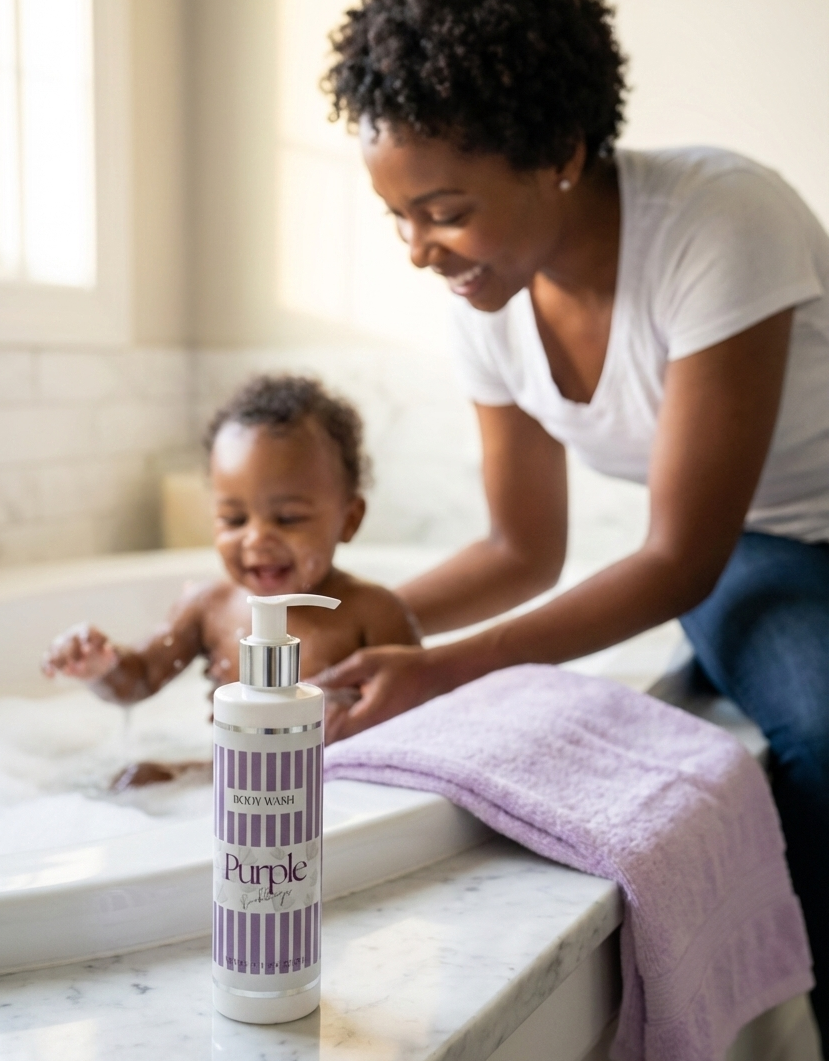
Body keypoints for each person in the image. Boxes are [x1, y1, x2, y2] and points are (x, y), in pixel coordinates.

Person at [315, 0, 829, 1043]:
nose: (419, 249)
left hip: (709, 549)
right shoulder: (487, 299)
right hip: (765, 549)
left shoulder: (720, 217)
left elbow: (669, 556)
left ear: (558, 150)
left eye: (444, 209)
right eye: (398, 217)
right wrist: (362, 615)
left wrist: (445, 664)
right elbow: (522, 549)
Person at [42, 375, 420, 771]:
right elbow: (140, 677)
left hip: (333, 784)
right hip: (235, 785)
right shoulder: (208, 607)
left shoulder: (373, 613)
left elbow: (421, 718)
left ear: (349, 519)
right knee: (139, 778)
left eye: (288, 518)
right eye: (234, 518)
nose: (256, 538)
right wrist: (104, 666)